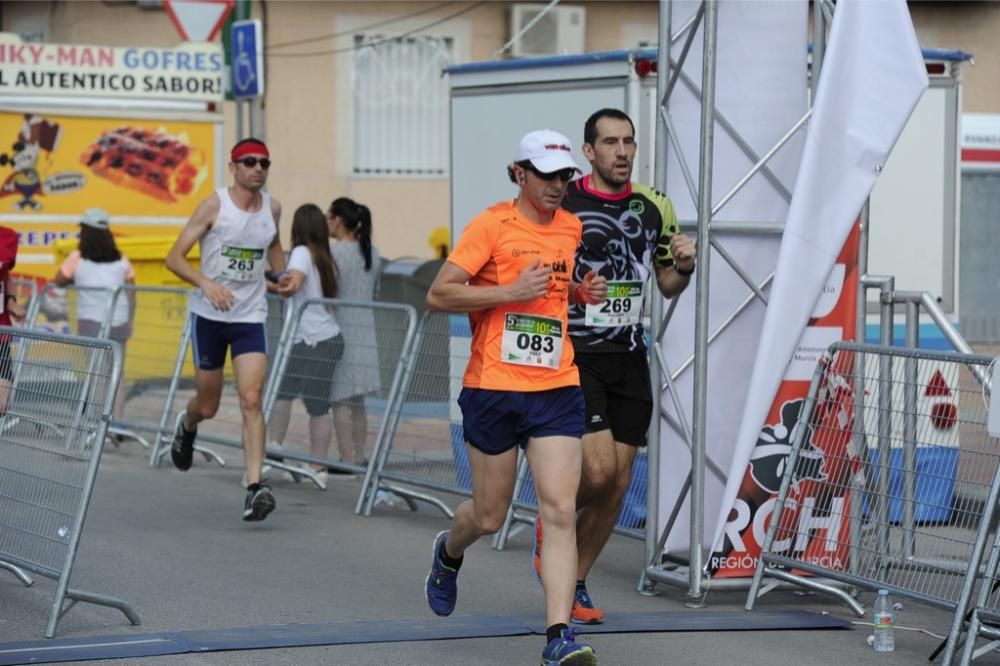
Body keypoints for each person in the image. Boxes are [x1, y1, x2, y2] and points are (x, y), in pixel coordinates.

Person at [423, 129, 606, 666]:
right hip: (494, 388)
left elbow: (550, 289)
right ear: (520, 173)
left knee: (561, 510)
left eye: (565, 175)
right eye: (546, 175)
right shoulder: (491, 226)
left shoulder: (571, 228)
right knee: (488, 515)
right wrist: (508, 293)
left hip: (555, 386)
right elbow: (438, 294)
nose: (557, 185)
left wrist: (577, 292)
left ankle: (558, 635)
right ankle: (448, 551)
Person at [532, 109, 697, 625]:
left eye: (628, 142)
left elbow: (667, 285)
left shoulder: (655, 207)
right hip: (576, 353)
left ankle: (575, 580)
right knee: (598, 470)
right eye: (610, 143)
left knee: (620, 483)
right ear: (589, 151)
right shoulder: (566, 204)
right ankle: (556, 515)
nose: (621, 152)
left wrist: (686, 266)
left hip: (629, 355)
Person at [165, 138, 286, 522]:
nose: (258, 168)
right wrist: (206, 283)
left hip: (250, 318)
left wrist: (284, 276)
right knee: (209, 405)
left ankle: (254, 488)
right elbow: (174, 258)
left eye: (264, 163)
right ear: (233, 167)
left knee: (251, 398)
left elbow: (274, 246)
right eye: (249, 162)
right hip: (210, 318)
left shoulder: (274, 208)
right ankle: (187, 426)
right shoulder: (214, 206)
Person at [267, 203, 344, 489]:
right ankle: (313, 462)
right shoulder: (325, 256)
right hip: (319, 338)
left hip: (311, 339)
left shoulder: (300, 253)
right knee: (309, 401)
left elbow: (292, 285)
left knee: (296, 399)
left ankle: (284, 452)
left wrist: (265, 285)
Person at [53, 208, 135, 422]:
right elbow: (131, 291)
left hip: (90, 322)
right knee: (117, 373)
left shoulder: (76, 258)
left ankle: (98, 425)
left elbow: (59, 280)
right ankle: (117, 423)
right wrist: (130, 320)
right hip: (119, 320)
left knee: (97, 374)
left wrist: (78, 279)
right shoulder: (121, 259)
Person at [327, 197, 381, 467]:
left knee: (340, 397)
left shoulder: (335, 253)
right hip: (366, 330)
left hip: (342, 328)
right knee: (358, 398)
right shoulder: (373, 253)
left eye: (329, 217)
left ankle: (346, 458)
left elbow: (330, 291)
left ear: (337, 220)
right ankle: (359, 456)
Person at [0, 226, 24, 413]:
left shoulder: (7, 237)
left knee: (3, 397)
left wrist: (11, 301)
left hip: (1, 327)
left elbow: (6, 276)